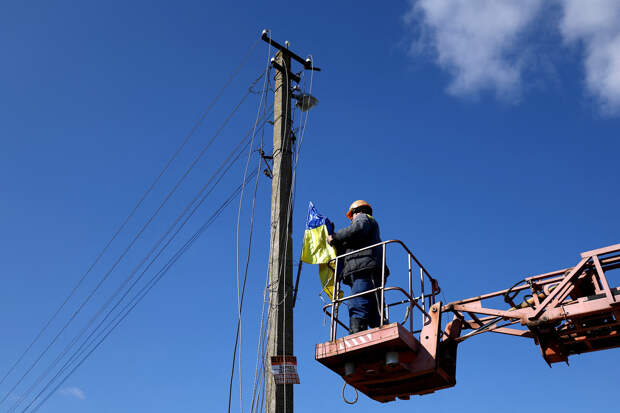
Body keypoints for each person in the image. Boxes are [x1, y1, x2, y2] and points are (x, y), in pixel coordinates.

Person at [327, 200, 388, 334]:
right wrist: (336, 243)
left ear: (357, 211)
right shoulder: (367, 233)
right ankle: (382, 332)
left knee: (357, 303)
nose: (351, 220)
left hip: (364, 270)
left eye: (351, 216)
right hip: (371, 270)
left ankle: (356, 333)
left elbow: (357, 229)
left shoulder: (363, 218)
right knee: (374, 308)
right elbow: (350, 242)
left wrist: (335, 237)